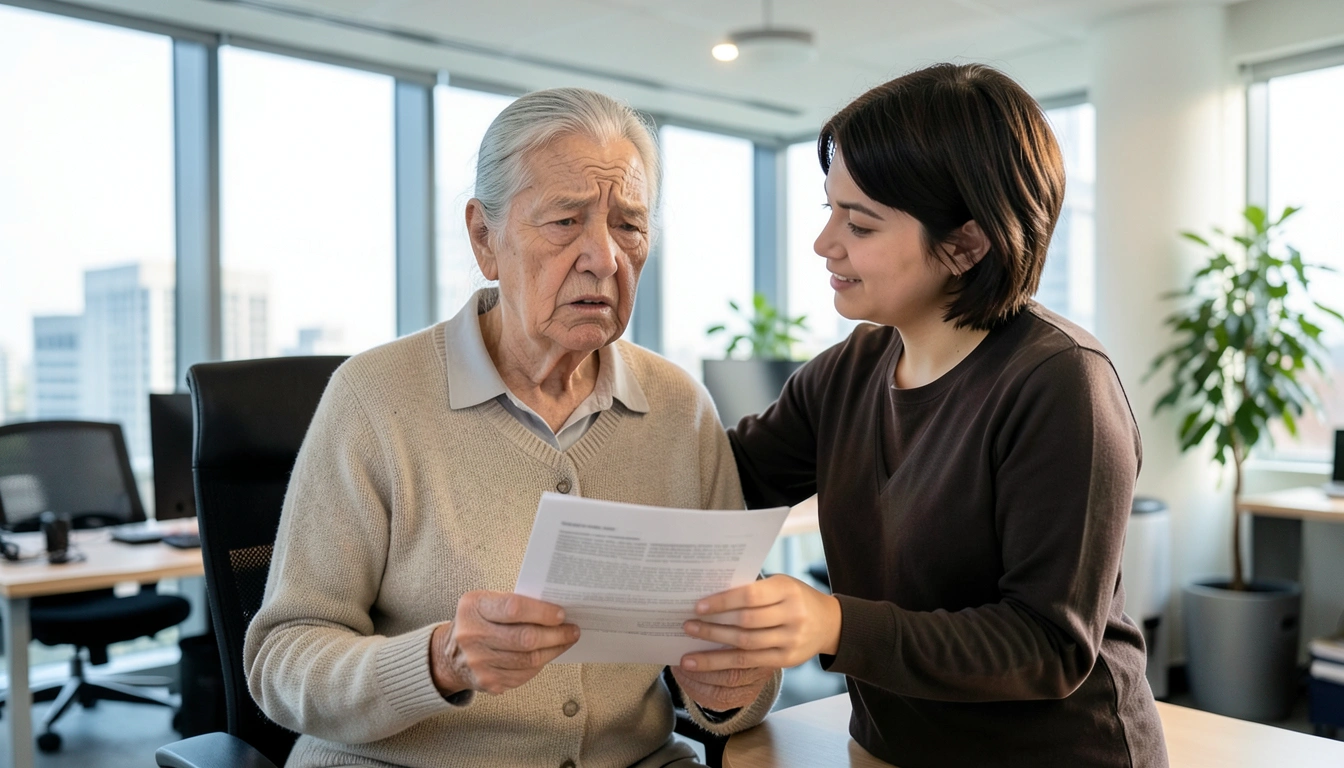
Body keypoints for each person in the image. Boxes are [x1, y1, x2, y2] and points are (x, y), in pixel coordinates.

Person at [243, 87, 779, 768]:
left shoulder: (679, 406)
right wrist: (440, 661)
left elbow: (740, 657)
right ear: (483, 237)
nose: (605, 258)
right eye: (565, 222)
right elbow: (281, 660)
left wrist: (731, 686)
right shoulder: (376, 398)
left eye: (629, 225)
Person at [677, 64, 1168, 767]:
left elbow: (1048, 645)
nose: (826, 245)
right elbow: (724, 481)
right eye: (830, 211)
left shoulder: (1061, 384)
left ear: (967, 244)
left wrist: (833, 622)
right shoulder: (854, 368)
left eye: (861, 223)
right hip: (889, 750)